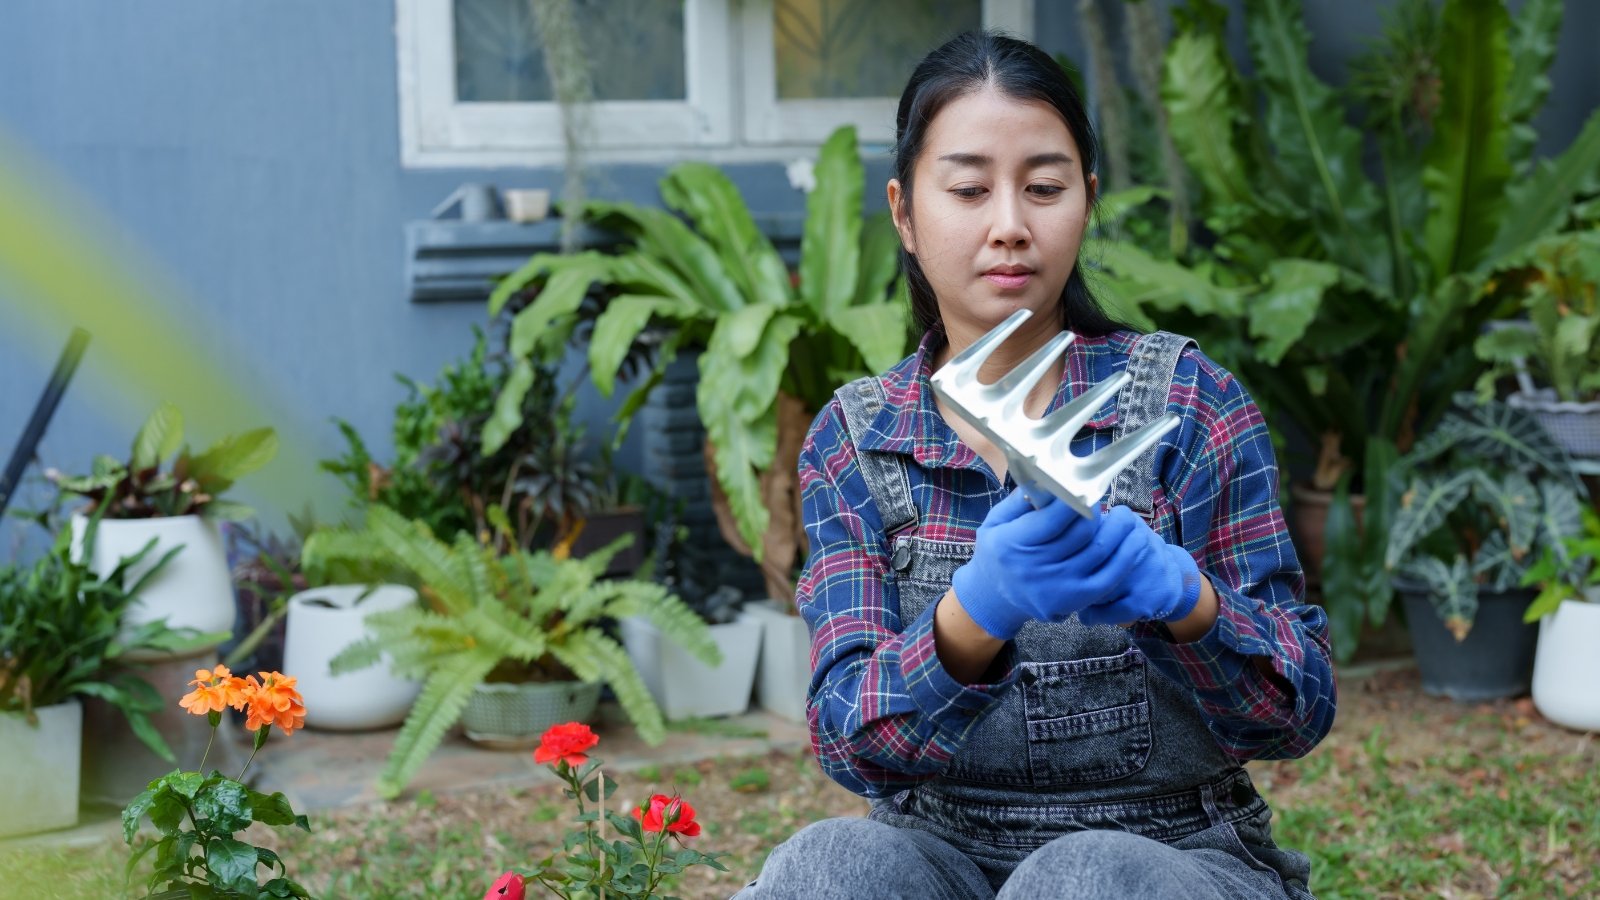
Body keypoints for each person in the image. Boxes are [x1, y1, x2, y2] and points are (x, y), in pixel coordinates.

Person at [732, 29, 1335, 900]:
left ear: (1086, 201)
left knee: (1080, 877)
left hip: (1176, 855)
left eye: (1045, 188)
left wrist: (1191, 605)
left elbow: (1299, 711)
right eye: (970, 189)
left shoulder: (1187, 402)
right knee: (828, 867)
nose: (1009, 225)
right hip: (937, 857)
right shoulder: (855, 443)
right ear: (904, 213)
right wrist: (971, 618)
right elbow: (847, 743)